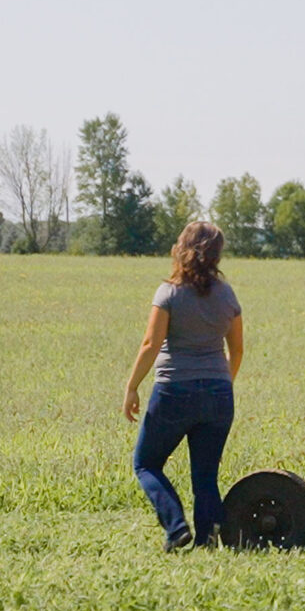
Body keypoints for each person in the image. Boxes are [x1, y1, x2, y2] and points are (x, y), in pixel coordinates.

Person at [121, 220, 244, 551]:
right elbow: (238, 349)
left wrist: (132, 387)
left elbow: (150, 344)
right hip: (219, 393)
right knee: (205, 474)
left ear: (182, 248)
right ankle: (208, 536)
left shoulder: (169, 292)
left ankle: (176, 527)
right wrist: (220, 385)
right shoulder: (228, 294)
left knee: (145, 464)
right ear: (217, 254)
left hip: (174, 391)